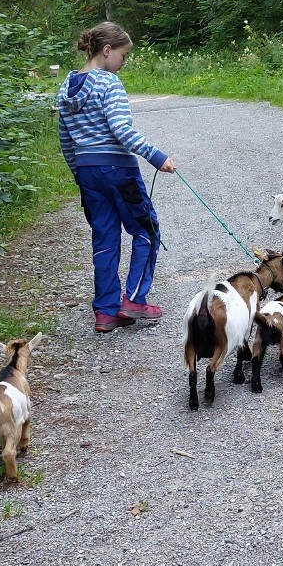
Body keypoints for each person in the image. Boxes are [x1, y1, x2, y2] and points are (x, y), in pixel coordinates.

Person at [57, 21, 176, 334]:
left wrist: (79, 173)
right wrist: (156, 156)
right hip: (117, 170)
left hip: (87, 171)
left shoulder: (67, 86)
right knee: (146, 229)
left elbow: (65, 139)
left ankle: (106, 311)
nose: (123, 63)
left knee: (105, 236)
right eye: (123, 55)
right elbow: (121, 130)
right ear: (107, 50)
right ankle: (134, 299)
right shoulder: (109, 83)